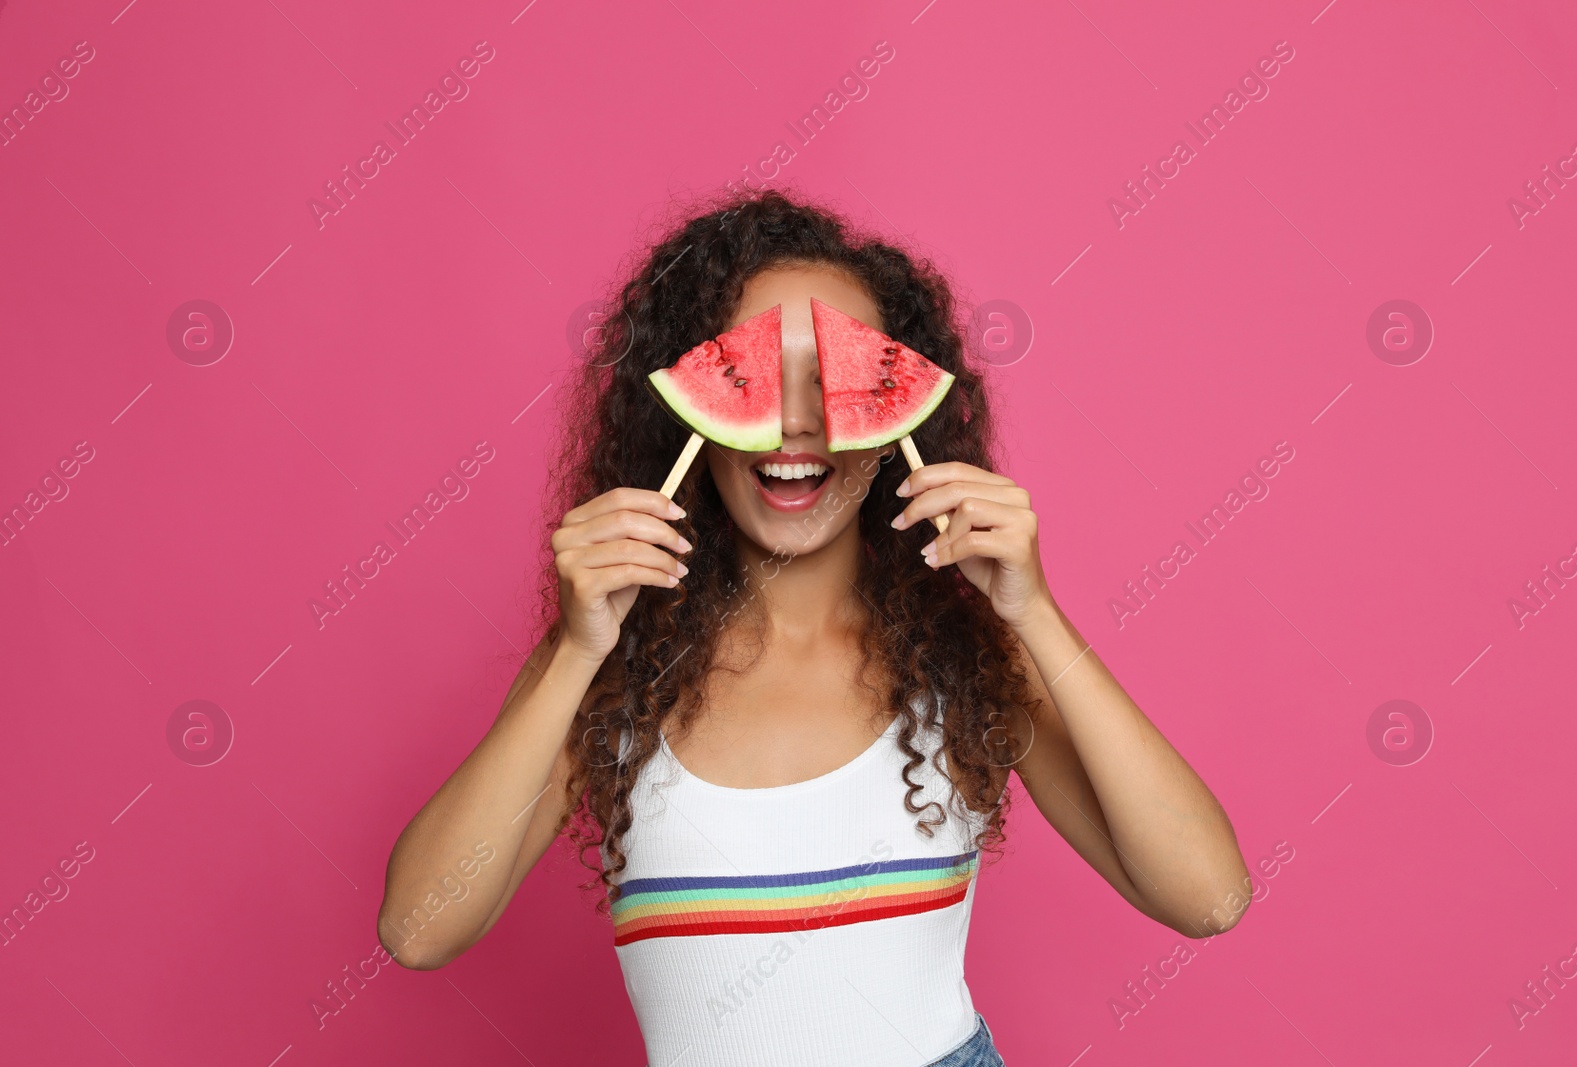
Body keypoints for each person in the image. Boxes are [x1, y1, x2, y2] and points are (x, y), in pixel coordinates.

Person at [377, 190, 1250, 1067]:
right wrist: (575, 648)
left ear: (901, 415)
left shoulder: (966, 656)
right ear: (686, 411)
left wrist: (1034, 613)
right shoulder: (611, 659)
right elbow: (418, 929)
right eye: (746, 379)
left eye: (841, 381)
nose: (798, 421)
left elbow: (1208, 895)